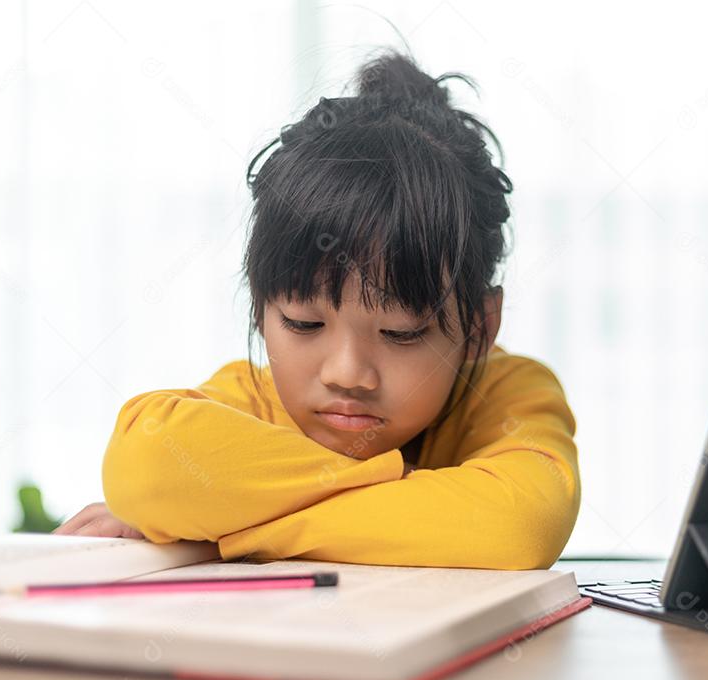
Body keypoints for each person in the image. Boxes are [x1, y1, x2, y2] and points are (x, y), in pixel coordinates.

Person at [54, 51, 580, 570]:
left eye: (401, 332)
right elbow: (146, 466)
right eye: (304, 323)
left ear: (479, 328)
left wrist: (225, 531)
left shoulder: (505, 393)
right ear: (260, 310)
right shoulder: (249, 401)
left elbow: (519, 526)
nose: (347, 374)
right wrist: (419, 504)